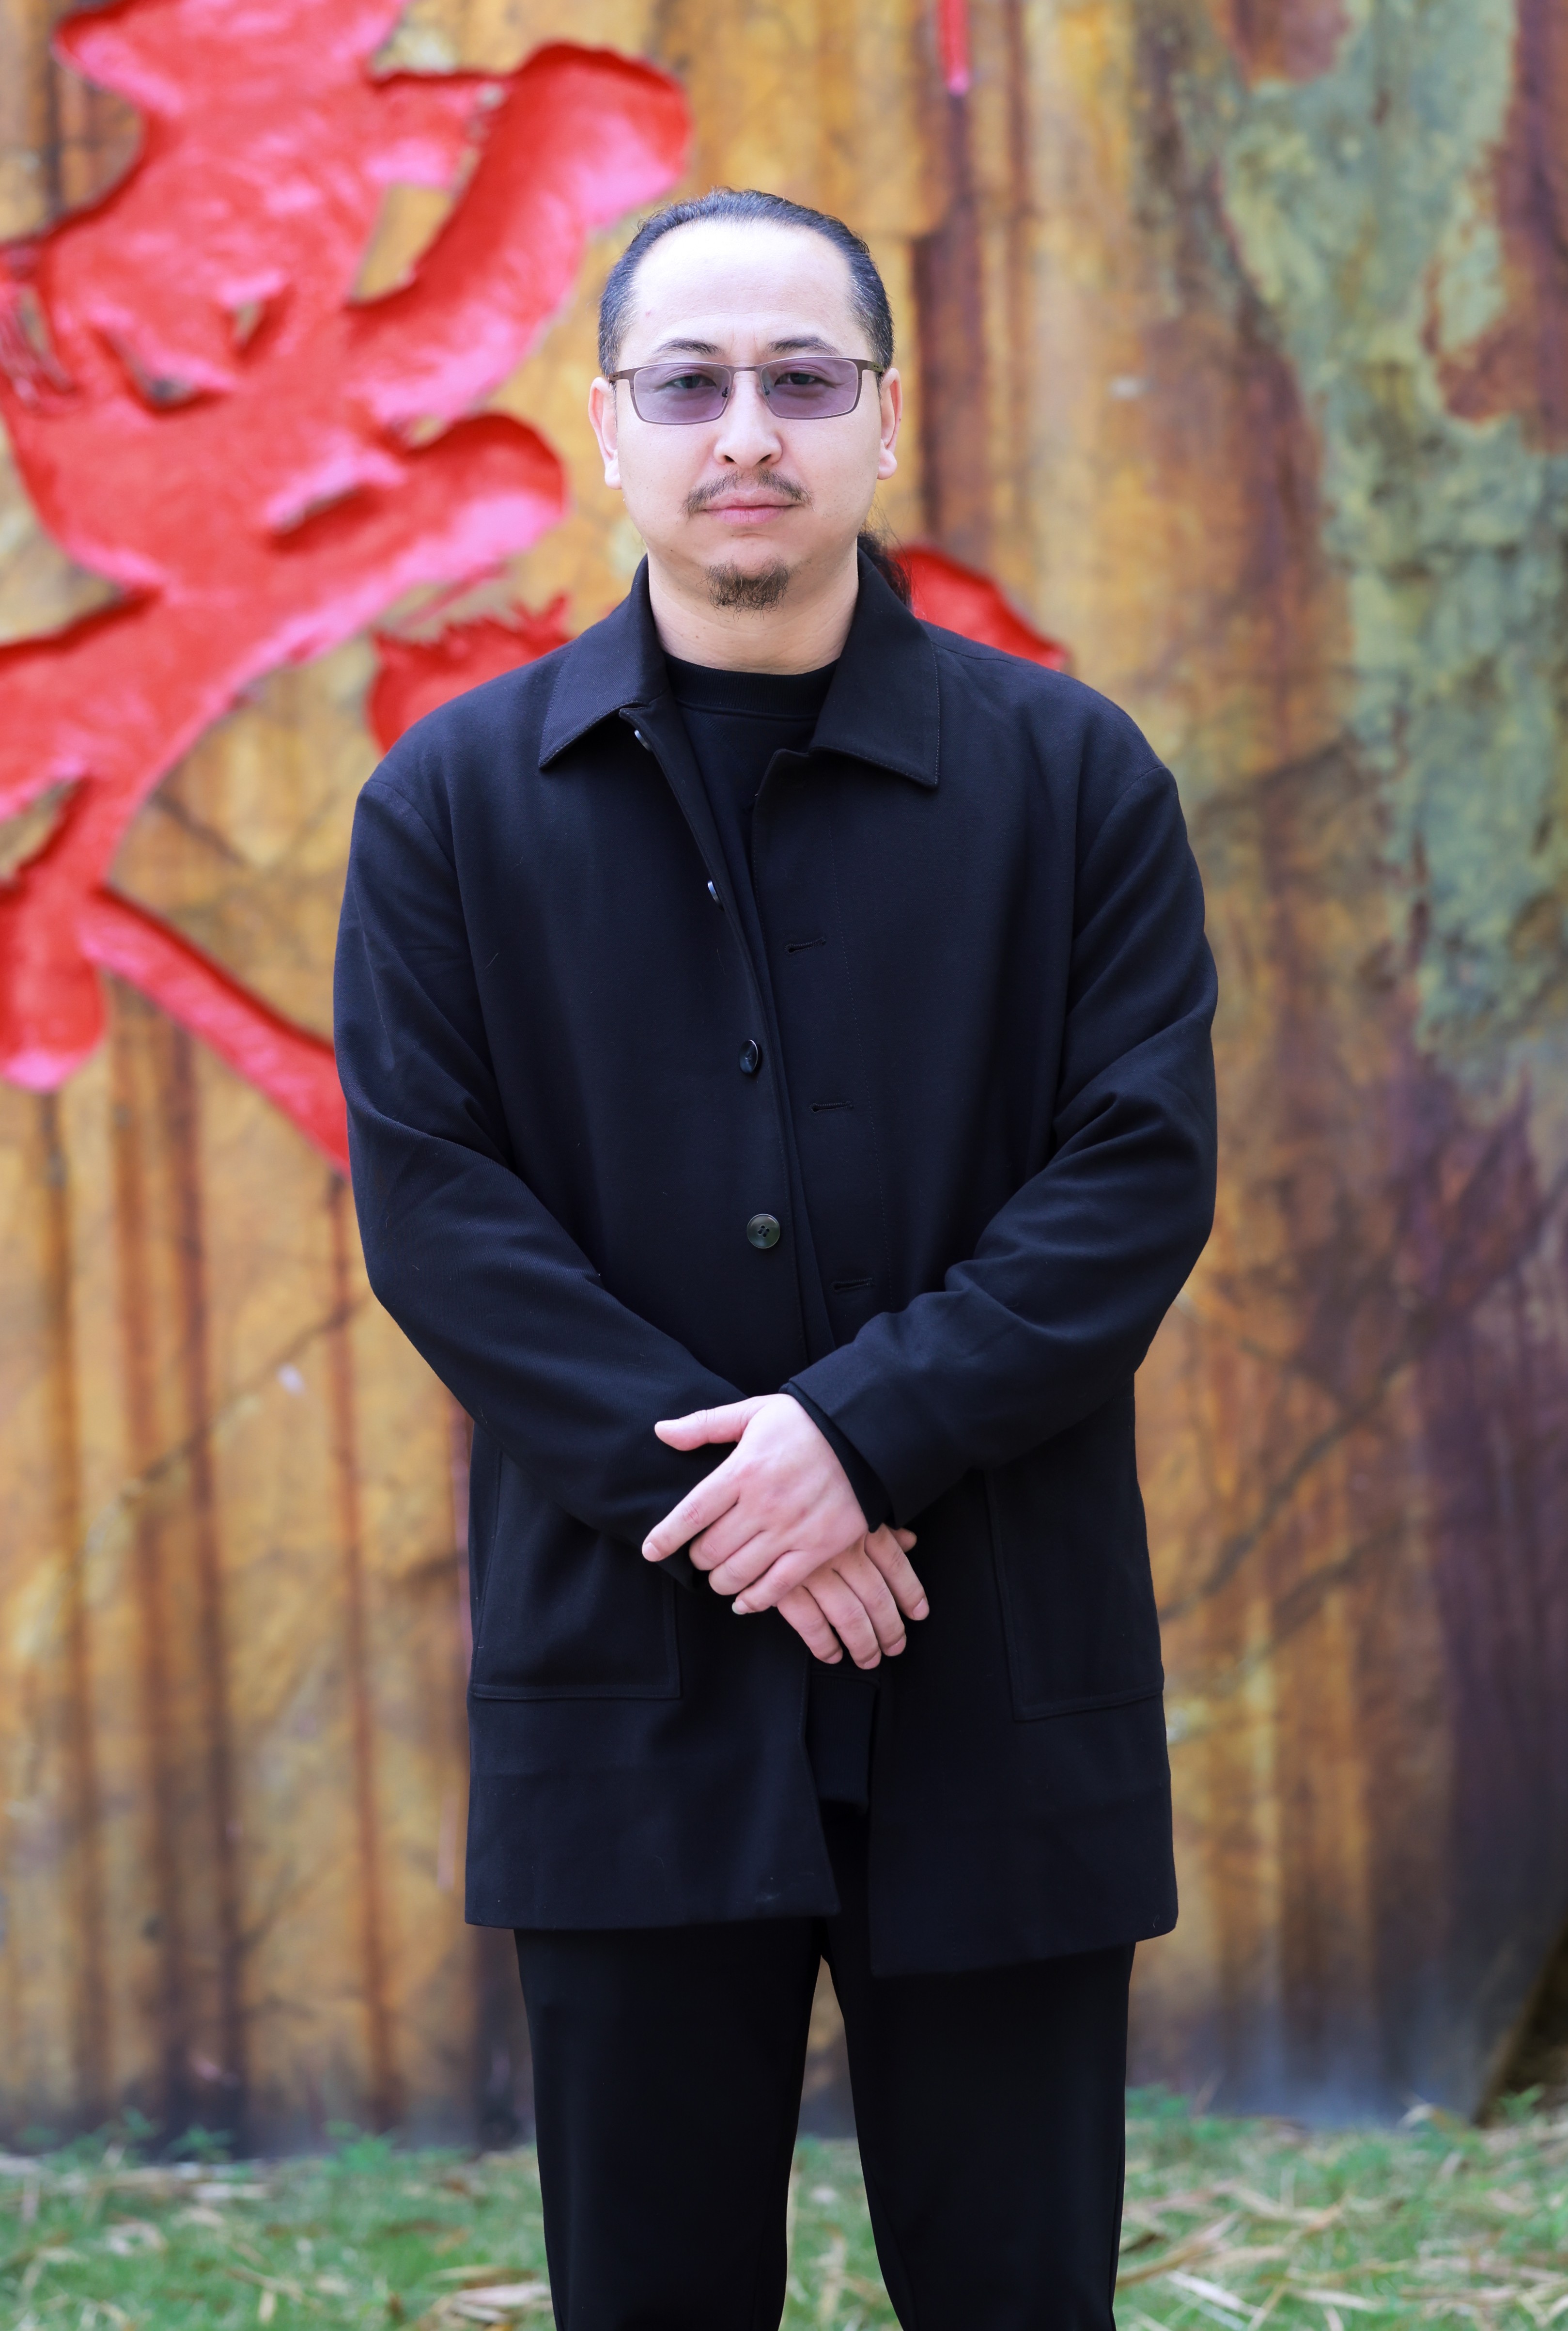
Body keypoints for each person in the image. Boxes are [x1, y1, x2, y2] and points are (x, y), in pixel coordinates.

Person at [335, 186, 1217, 2331]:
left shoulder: (1073, 781)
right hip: (630, 1677)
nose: (749, 431)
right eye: (692, 383)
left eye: (804, 380)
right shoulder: (451, 805)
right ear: (609, 428)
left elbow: (1132, 1177)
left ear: (886, 419)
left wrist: (863, 1439)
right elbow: (440, 1209)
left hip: (993, 1658)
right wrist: (751, 1496)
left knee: (1019, 2294)